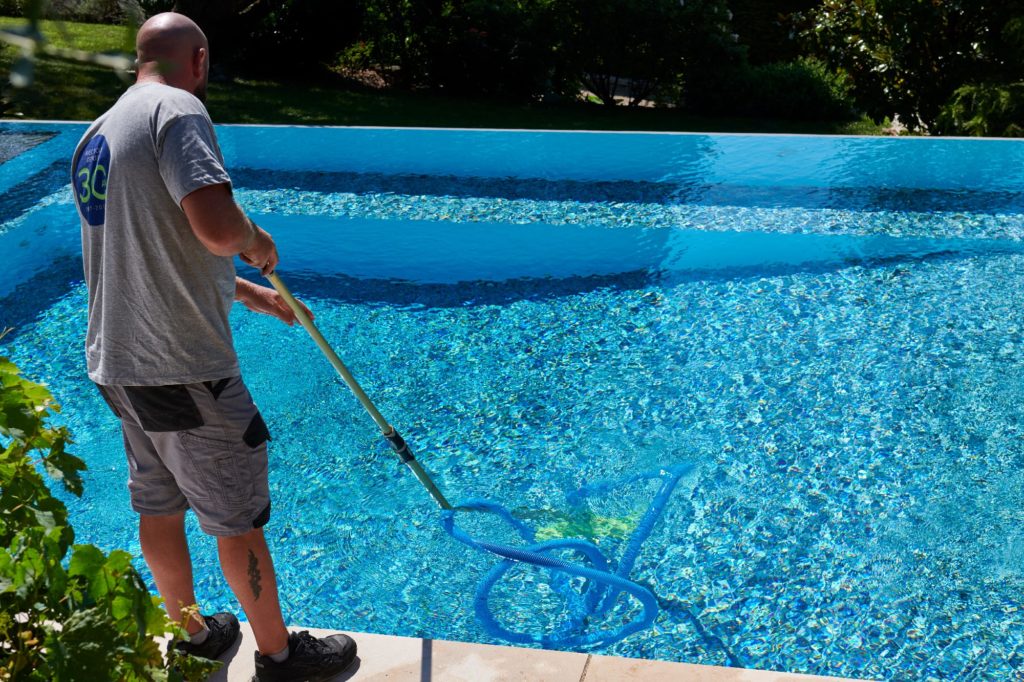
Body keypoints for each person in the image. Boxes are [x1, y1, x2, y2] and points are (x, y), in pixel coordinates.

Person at [71, 12, 357, 681]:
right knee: (237, 519)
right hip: (184, 370)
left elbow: (152, 250)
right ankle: (280, 656)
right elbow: (217, 227)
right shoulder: (179, 111)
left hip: (118, 364)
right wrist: (255, 242)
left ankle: (197, 635)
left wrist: (256, 297)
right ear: (198, 59)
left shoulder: (96, 135)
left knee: (158, 503)